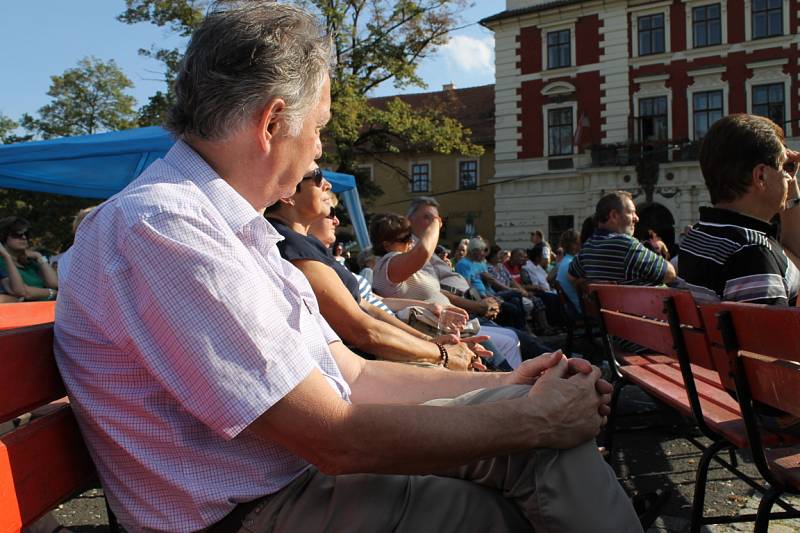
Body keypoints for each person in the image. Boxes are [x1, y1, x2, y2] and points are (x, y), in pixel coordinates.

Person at [55, 7, 640, 528]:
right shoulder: (165, 228)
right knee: (534, 462)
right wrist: (537, 421)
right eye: (320, 127)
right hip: (257, 507)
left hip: (289, 484)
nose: (319, 149)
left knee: (535, 453)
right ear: (272, 122)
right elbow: (330, 435)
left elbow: (354, 378)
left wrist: (505, 385)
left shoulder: (229, 229)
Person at [265, 164, 483, 369]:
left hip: (376, 355)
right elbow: (363, 330)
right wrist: (440, 353)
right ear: (287, 193)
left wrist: (430, 341)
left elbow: (370, 309)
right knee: (492, 392)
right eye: (319, 176)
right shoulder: (290, 245)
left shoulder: (306, 243)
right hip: (363, 364)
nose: (328, 184)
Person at [369, 213, 527, 369]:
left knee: (511, 338)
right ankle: (520, 387)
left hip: (453, 324)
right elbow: (423, 251)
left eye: (411, 236)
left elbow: (433, 288)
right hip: (437, 331)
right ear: (386, 245)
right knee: (510, 343)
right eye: (405, 238)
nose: (411, 241)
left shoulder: (401, 264)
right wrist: (435, 223)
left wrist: (472, 305)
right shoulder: (388, 264)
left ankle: (522, 383)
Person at [679, 113, 800, 305]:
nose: (788, 176)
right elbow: (770, 334)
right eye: (783, 167)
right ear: (760, 176)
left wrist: (790, 189)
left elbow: (793, 260)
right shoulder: (753, 253)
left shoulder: (698, 238)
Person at [569, 191, 677, 287]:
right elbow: (670, 274)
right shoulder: (626, 245)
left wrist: (593, 284)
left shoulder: (588, 246)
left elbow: (571, 277)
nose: (637, 218)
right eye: (631, 212)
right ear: (614, 215)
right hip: (636, 308)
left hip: (605, 308)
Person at [0, 217, 58, 302]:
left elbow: (54, 284)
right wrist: (52, 292)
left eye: (26, 234)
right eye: (17, 234)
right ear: (4, 237)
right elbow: (24, 292)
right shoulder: (2, 262)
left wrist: (39, 257)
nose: (24, 237)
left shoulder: (31, 261)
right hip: (26, 311)